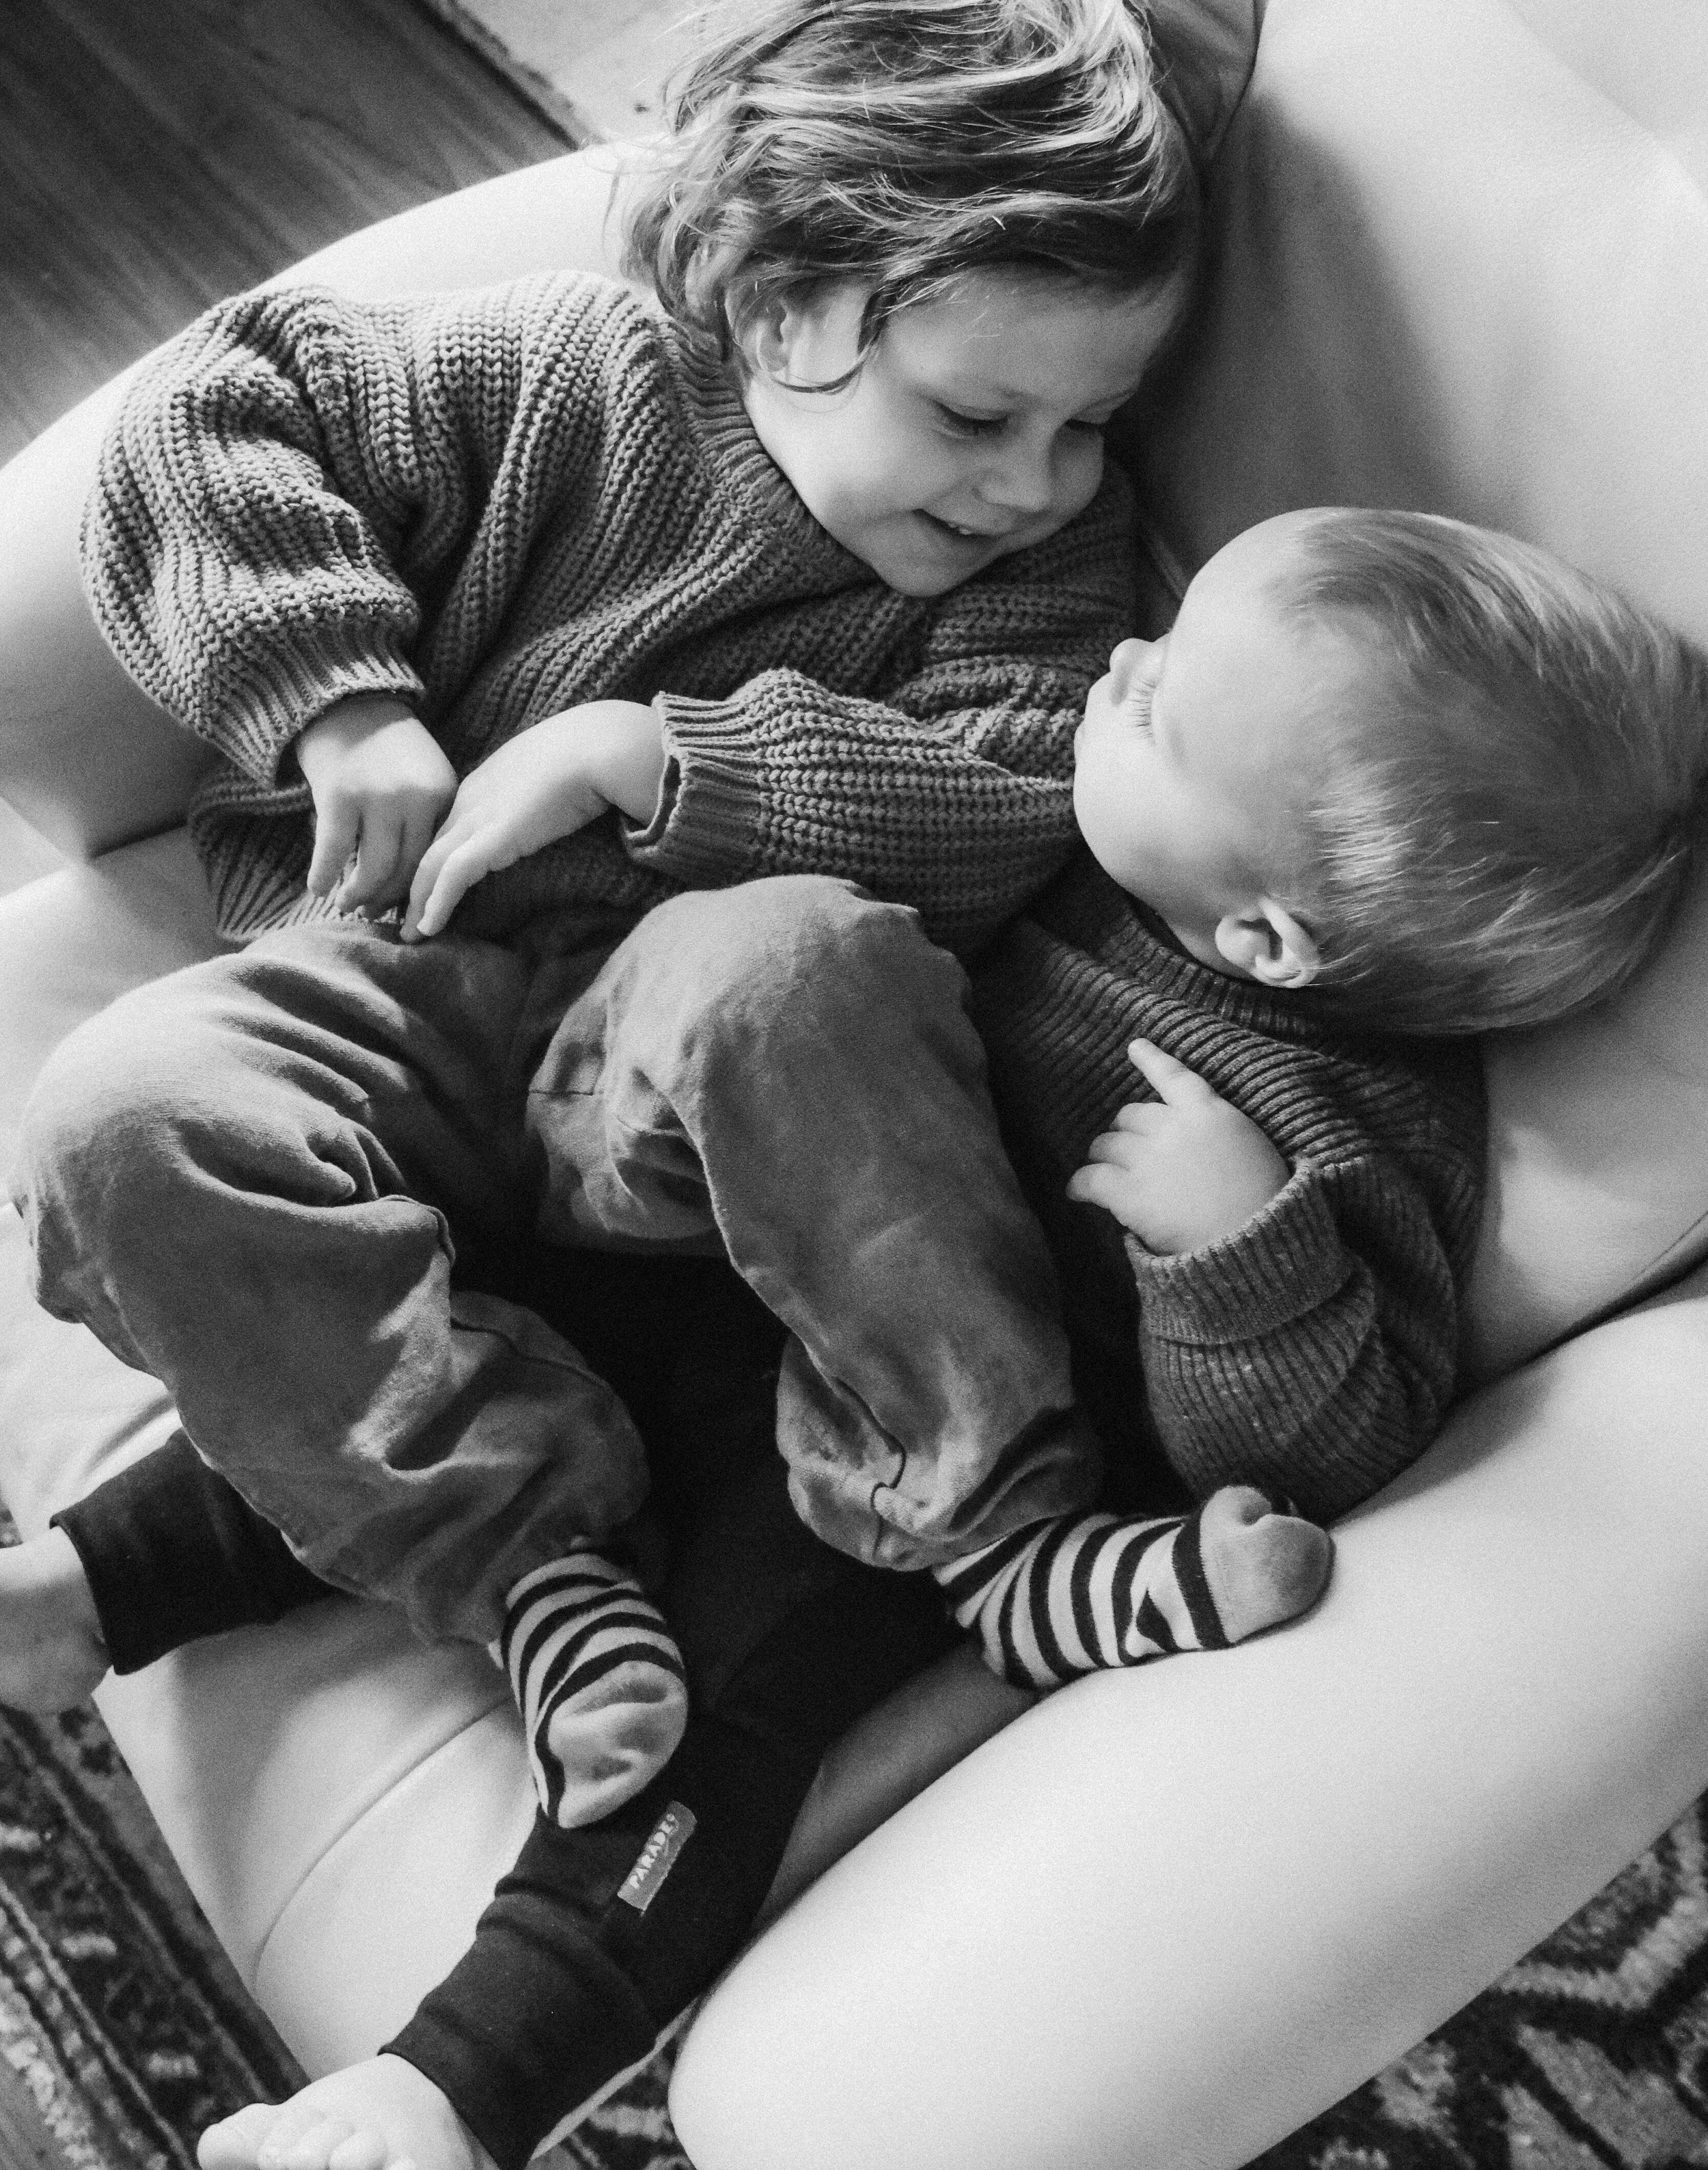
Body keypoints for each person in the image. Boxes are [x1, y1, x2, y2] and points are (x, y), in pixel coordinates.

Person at [10, 492, 1707, 2170]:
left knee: (714, 1721)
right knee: (432, 1353)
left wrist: (1237, 1247)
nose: (1117, 660)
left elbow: (1337, 1441)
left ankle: (447, 2088)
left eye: (1161, 700)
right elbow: (830, 829)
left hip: (919, 1478)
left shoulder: (1358, 1127)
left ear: (1265, 937)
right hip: (736, 1266)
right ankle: (95, 1587)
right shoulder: (1047, 821)